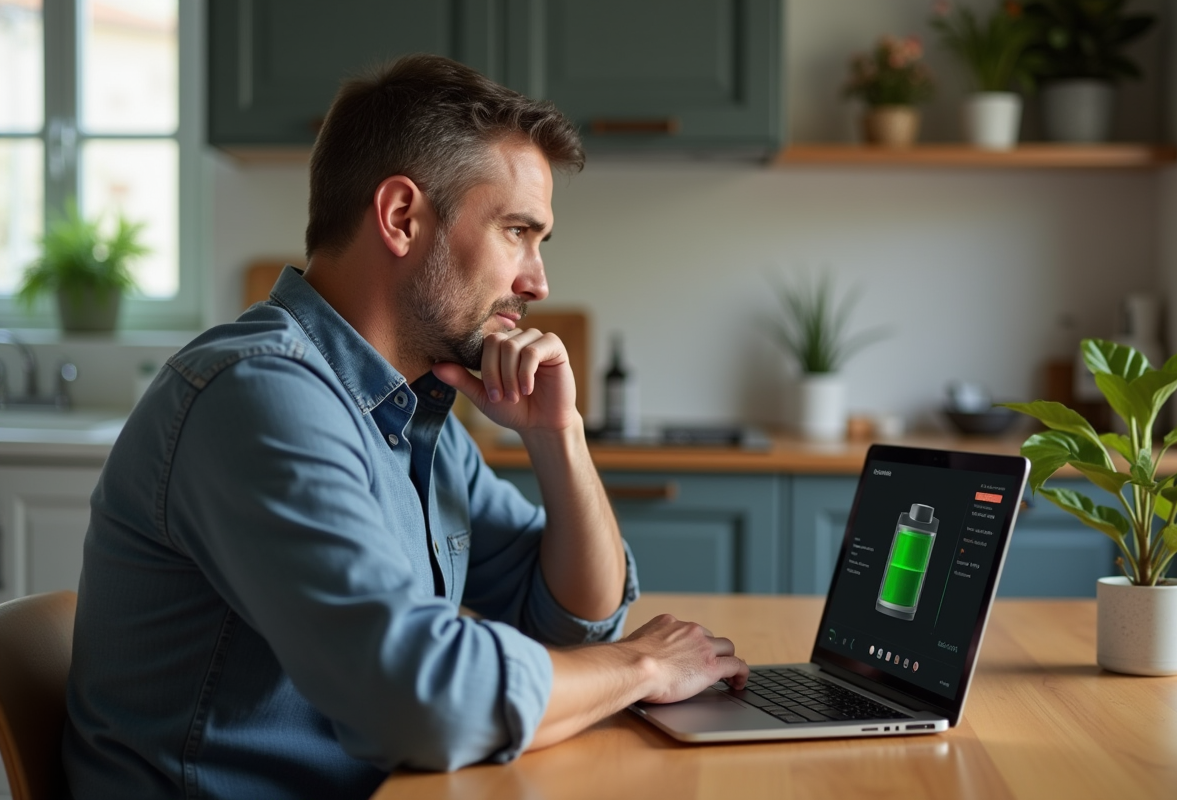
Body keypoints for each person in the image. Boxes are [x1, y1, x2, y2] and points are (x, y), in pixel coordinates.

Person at [62, 54, 748, 799]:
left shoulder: (413, 413)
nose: (538, 281)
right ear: (400, 217)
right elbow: (424, 703)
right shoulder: (259, 397)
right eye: (517, 230)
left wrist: (559, 438)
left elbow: (574, 623)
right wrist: (645, 668)